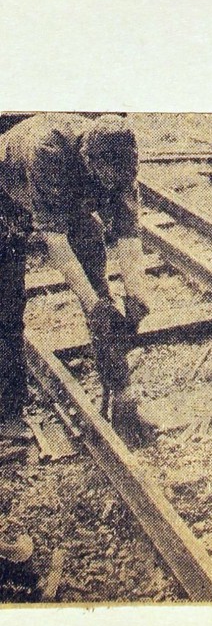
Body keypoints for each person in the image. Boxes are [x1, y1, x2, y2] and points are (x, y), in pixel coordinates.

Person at [0, 114, 153, 444]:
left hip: (66, 202)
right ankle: (6, 411)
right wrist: (92, 303)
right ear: (87, 160)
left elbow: (128, 234)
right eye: (105, 181)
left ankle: (123, 397)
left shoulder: (122, 160)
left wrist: (136, 294)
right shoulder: (49, 150)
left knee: (102, 299)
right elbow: (54, 239)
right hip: (7, 195)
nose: (113, 188)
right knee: (6, 307)